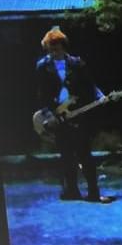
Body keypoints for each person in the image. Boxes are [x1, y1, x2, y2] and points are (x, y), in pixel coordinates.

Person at [35, 27, 114, 203]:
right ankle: (71, 191)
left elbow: (90, 84)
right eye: (51, 48)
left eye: (57, 48)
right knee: (66, 155)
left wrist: (101, 97)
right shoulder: (43, 67)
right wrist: (49, 114)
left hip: (78, 112)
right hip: (57, 114)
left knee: (85, 152)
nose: (55, 51)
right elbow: (42, 95)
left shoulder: (77, 63)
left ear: (64, 46)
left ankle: (93, 193)